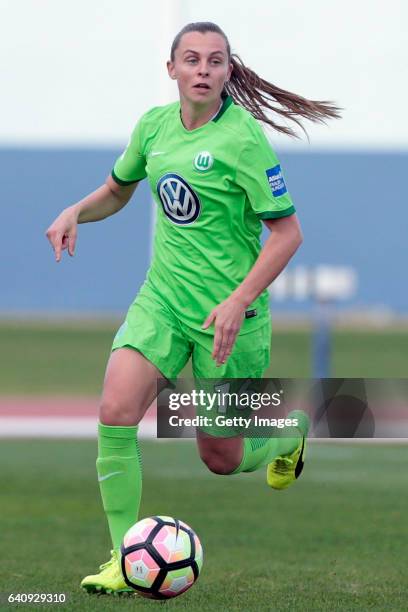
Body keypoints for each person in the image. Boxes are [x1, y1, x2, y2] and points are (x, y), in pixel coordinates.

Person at [46, 22, 341, 595]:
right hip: (163, 301)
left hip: (230, 320)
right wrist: (75, 211)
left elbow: (287, 234)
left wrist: (239, 299)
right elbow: (118, 188)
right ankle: (121, 558)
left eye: (214, 61)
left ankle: (289, 433)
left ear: (229, 71)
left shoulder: (244, 139)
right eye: (191, 59)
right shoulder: (154, 127)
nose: (202, 70)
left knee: (221, 458)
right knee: (114, 409)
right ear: (172, 69)